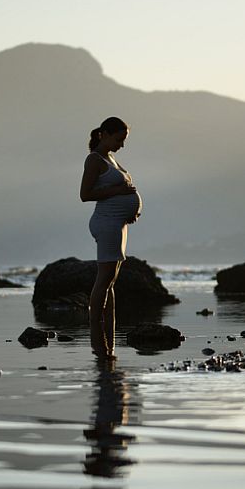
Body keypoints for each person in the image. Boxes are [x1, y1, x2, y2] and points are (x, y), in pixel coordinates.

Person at [80, 117, 142, 358]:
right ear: (104, 134)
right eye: (118, 139)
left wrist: (130, 211)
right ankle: (95, 326)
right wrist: (118, 192)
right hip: (106, 223)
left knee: (111, 280)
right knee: (104, 277)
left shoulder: (110, 158)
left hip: (118, 224)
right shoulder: (94, 159)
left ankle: (109, 330)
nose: (122, 145)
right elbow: (85, 194)